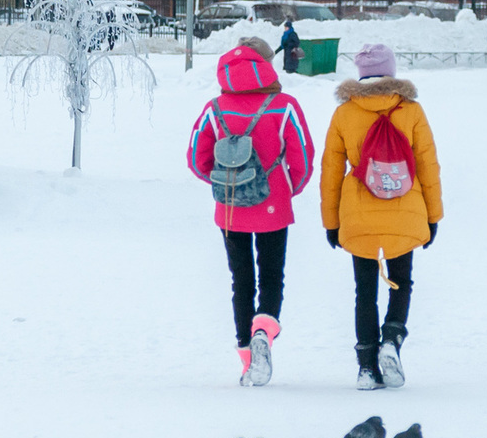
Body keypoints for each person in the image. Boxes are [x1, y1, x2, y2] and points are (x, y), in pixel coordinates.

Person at [186, 37, 315, 386]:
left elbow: (196, 158)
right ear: (266, 65)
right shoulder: (284, 105)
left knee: (240, 280)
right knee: (272, 275)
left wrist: (224, 187)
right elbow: (302, 155)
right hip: (274, 202)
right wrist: (290, 187)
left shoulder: (215, 108)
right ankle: (264, 331)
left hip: (230, 210)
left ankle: (246, 358)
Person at [320, 43, 443, 389]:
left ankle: (366, 369)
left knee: (364, 290)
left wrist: (332, 223)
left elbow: (330, 171)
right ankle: (392, 338)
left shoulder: (344, 113)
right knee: (402, 281)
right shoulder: (412, 110)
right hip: (405, 211)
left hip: (358, 215)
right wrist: (433, 217)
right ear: (391, 72)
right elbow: (428, 166)